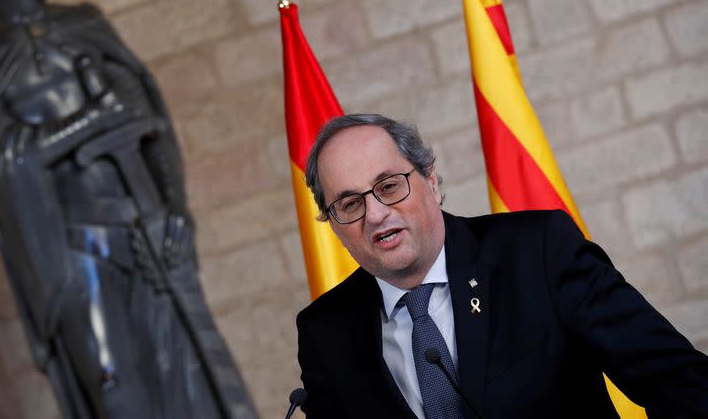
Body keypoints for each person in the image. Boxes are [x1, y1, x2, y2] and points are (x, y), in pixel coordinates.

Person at [0, 0, 257, 419]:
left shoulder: (83, 23)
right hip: (72, 249)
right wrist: (91, 121)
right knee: (111, 386)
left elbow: (150, 119)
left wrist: (177, 207)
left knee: (188, 372)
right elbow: (2, 159)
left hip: (143, 226)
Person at [296, 113, 708, 419]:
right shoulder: (325, 332)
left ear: (432, 182)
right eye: (350, 203)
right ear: (333, 225)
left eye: (388, 187)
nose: (376, 214)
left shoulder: (538, 251)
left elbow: (679, 381)